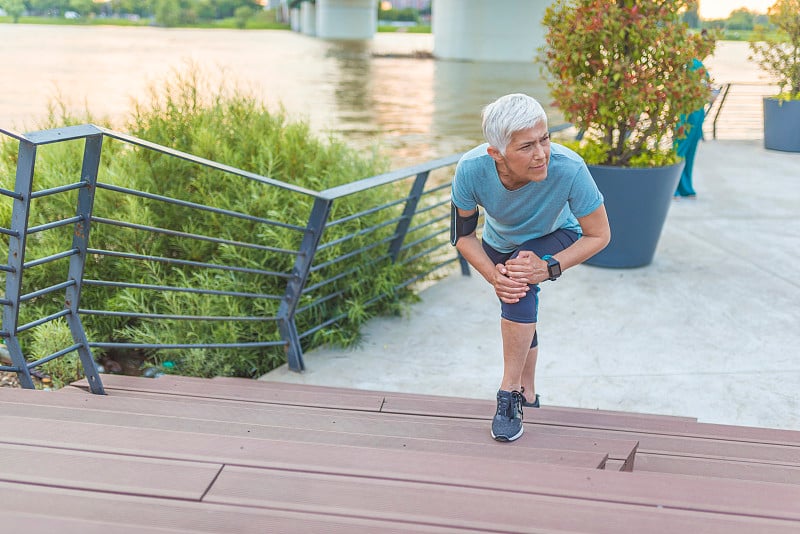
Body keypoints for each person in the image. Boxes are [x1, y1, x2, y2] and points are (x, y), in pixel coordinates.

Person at [450, 93, 610, 442]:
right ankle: (531, 391)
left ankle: (509, 394)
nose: (541, 154)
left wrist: (549, 268)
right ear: (496, 153)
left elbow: (599, 235)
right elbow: (462, 236)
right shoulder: (472, 169)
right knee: (515, 296)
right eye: (526, 147)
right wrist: (492, 274)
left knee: (519, 278)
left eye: (545, 139)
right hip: (499, 241)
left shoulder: (569, 168)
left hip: (558, 233)